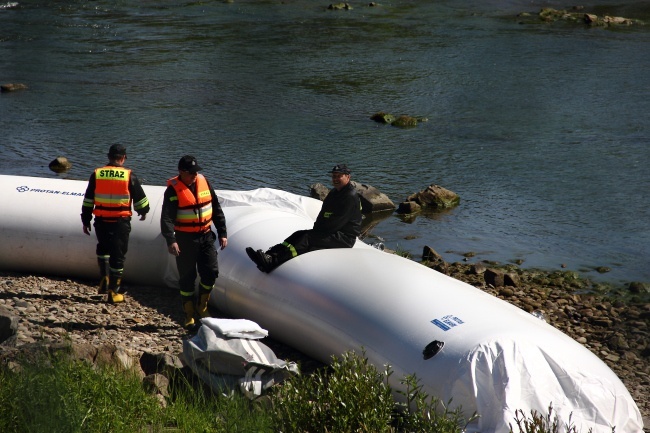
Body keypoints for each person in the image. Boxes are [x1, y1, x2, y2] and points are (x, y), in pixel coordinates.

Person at [246, 164, 362, 273]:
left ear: (348, 177)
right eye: (333, 176)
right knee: (298, 234)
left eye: (339, 176)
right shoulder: (334, 193)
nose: (335, 179)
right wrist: (317, 229)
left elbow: (336, 222)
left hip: (344, 238)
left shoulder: (349, 197)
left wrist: (317, 232)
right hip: (332, 232)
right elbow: (323, 214)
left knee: (306, 238)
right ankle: (268, 255)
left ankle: (273, 262)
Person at [160, 155, 228, 330]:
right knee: (187, 278)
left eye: (196, 172)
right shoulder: (173, 191)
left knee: (211, 272)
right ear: (181, 172)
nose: (194, 176)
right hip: (185, 239)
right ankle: (189, 313)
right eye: (191, 173)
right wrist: (171, 239)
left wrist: (222, 232)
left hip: (206, 236)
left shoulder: (205, 183)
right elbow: (166, 218)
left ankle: (202, 306)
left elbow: (216, 209)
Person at [81, 144, 150, 304]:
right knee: (118, 256)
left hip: (101, 220)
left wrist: (85, 219)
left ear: (109, 157)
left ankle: (104, 279)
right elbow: (141, 200)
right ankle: (114, 292)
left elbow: (88, 199)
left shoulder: (97, 174)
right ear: (123, 158)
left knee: (103, 249)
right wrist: (143, 211)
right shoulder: (129, 176)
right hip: (120, 221)